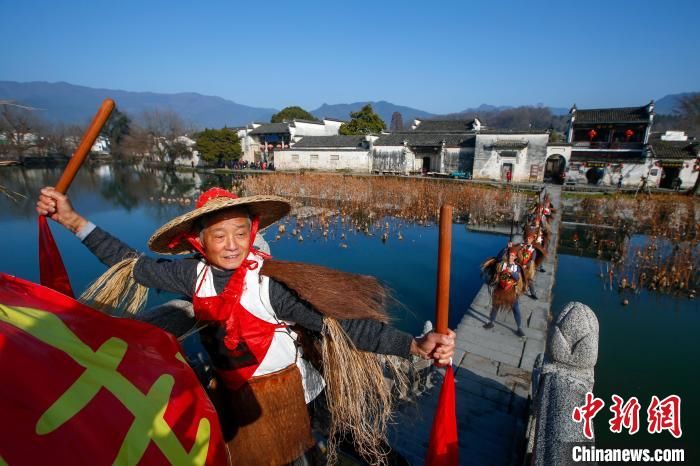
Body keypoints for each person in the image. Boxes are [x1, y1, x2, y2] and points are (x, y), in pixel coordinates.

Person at [36, 186, 455, 465]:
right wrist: (73, 220)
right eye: (220, 236)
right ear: (199, 242)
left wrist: (414, 345)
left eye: (241, 232)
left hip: (286, 392)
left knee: (294, 455)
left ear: (253, 233)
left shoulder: (268, 287)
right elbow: (130, 264)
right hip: (234, 394)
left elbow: (341, 327)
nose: (233, 244)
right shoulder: (191, 276)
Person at [482, 247, 526, 338]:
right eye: (510, 255)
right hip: (500, 290)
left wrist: (511, 273)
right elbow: (497, 258)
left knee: (516, 309)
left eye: (513, 256)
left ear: (515, 257)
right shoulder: (502, 264)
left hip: (511, 291)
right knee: (495, 307)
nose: (511, 257)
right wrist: (506, 247)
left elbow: (517, 278)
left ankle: (519, 328)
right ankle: (491, 322)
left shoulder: (516, 267)